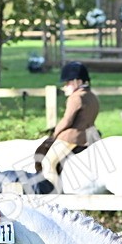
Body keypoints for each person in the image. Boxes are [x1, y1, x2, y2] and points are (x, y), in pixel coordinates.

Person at [37, 61, 100, 193]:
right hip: (92, 135)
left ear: (77, 81)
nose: (65, 86)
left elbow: (67, 121)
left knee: (48, 163)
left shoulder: (75, 98)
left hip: (74, 137)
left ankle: (56, 195)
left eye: (68, 83)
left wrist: (55, 133)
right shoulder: (92, 96)